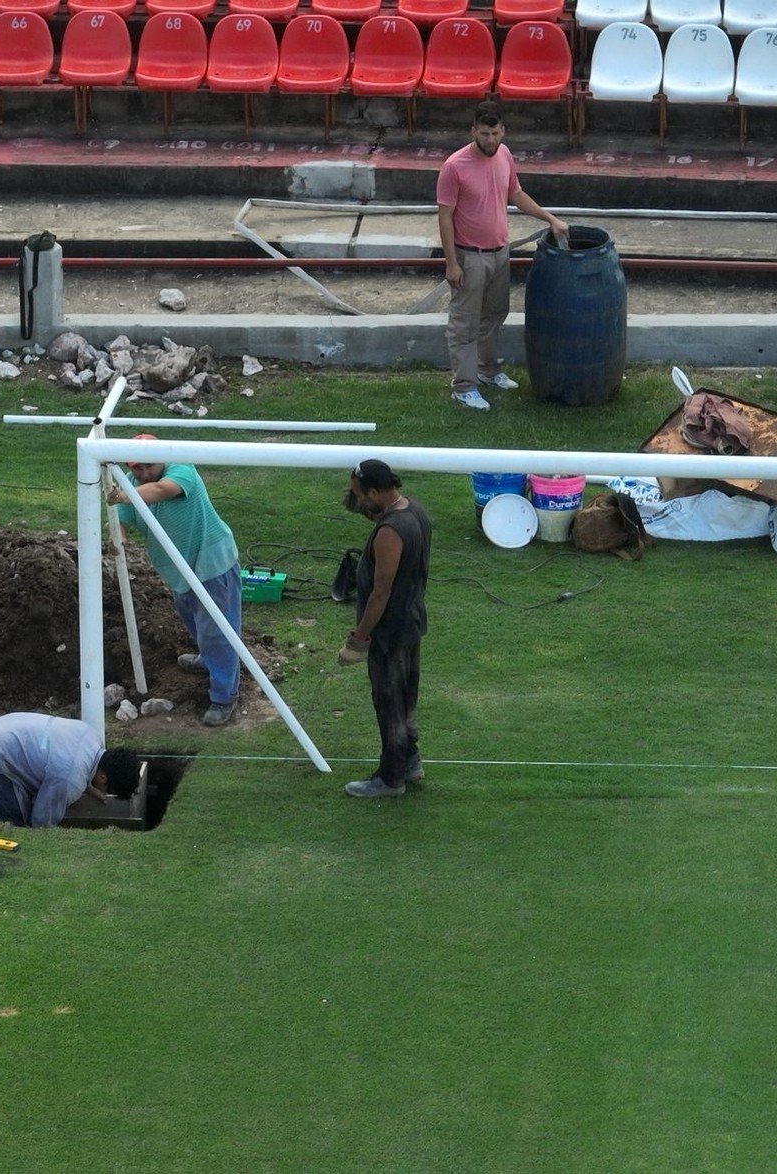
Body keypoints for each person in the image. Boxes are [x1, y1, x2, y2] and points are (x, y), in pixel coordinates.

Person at [437, 101, 570, 411]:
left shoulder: (505, 155)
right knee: (464, 323)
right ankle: (464, 386)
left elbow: (516, 194)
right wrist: (452, 263)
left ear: (503, 131)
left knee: (495, 314)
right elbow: (445, 217)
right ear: (473, 131)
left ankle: (488, 371)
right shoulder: (454, 167)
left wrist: (549, 218)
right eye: (485, 134)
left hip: (499, 252)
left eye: (496, 133)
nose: (491, 140)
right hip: (469, 257)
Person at [108, 435, 242, 727]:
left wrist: (123, 494)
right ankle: (209, 659)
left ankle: (224, 695)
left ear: (162, 458)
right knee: (192, 616)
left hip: (211, 561)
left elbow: (162, 489)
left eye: (149, 466)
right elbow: (122, 517)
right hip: (179, 569)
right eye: (137, 468)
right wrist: (117, 536)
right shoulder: (133, 481)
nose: (144, 473)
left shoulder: (181, 467)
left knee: (217, 630)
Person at [337, 460, 431, 799]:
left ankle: (391, 779)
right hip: (411, 621)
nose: (358, 500)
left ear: (376, 491)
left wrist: (359, 639)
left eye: (361, 495)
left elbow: (381, 591)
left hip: (390, 632)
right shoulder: (414, 509)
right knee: (405, 698)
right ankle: (410, 761)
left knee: (389, 703)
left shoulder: (390, 532)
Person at [0, 712, 144, 827]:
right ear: (104, 778)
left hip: (5, 726)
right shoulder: (70, 779)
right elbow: (41, 822)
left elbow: (74, 764)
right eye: (107, 789)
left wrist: (89, 788)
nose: (104, 792)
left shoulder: (92, 736)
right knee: (14, 825)